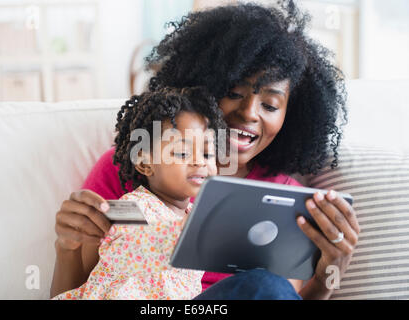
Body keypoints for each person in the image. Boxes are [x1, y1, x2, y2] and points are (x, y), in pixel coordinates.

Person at [51, 1, 360, 300]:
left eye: (270, 104)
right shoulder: (130, 167)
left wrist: (325, 277)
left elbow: (277, 296)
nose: (251, 113)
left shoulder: (285, 198)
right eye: (233, 93)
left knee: (266, 285)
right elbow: (81, 291)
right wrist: (67, 248)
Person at [52, 87, 228, 299]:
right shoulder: (132, 207)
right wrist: (186, 234)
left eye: (208, 153)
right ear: (145, 163)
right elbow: (125, 247)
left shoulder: (194, 215)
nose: (200, 161)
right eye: (182, 152)